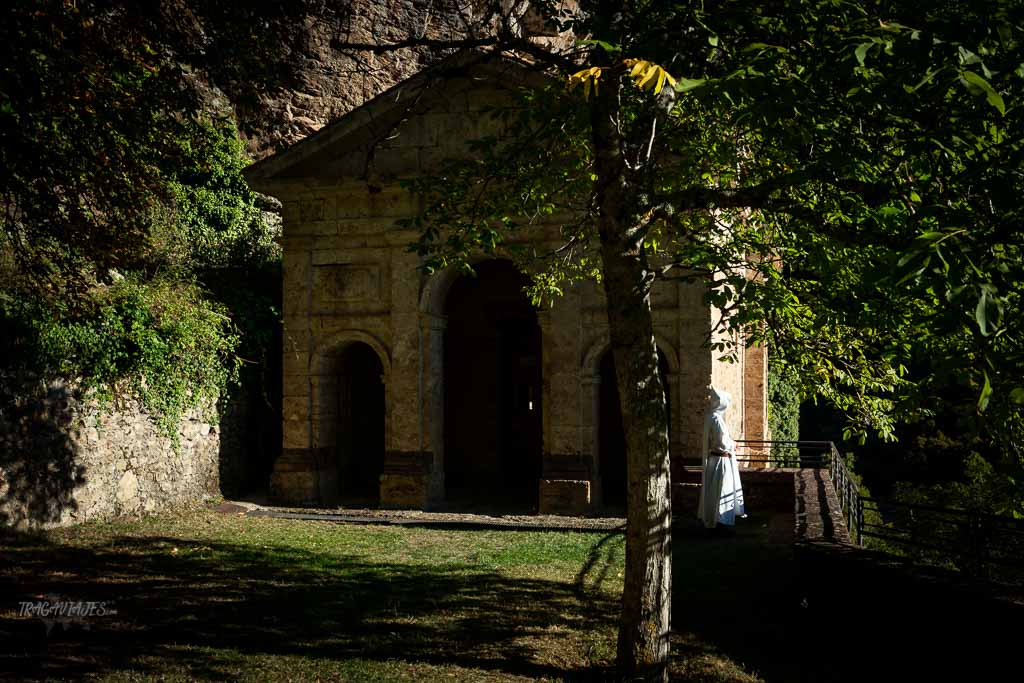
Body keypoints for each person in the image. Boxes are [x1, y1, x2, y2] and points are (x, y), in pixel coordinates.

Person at [699, 387, 745, 529]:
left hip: (714, 460)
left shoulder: (710, 417)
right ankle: (721, 523)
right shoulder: (717, 420)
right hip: (720, 461)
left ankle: (713, 520)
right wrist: (733, 445)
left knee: (714, 491)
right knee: (722, 491)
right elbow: (722, 443)